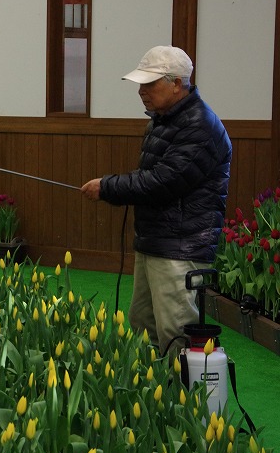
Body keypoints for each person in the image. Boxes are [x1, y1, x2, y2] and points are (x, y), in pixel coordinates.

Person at [80, 45, 232, 355]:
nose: (141, 91)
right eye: (141, 84)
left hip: (180, 246)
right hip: (156, 241)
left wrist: (108, 187)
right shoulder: (163, 120)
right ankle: (151, 388)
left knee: (175, 333)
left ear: (176, 83)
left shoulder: (200, 125)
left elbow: (163, 181)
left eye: (149, 83)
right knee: (143, 325)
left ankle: (183, 389)